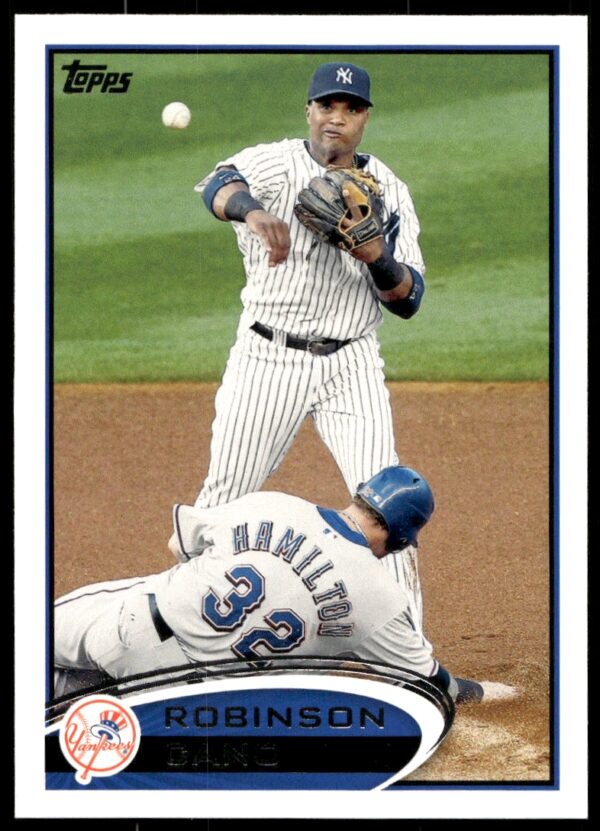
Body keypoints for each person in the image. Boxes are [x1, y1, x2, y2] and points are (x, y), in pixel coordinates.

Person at [192, 61, 429, 637]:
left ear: (365, 118)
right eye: (327, 106)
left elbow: (407, 298)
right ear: (309, 110)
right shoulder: (276, 162)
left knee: (388, 506)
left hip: (352, 362)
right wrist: (254, 211)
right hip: (268, 358)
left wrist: (378, 257)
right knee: (224, 501)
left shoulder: (390, 189)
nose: (336, 119)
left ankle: (410, 658)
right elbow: (220, 184)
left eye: (350, 109)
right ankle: (183, 634)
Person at [54, 466, 484, 703]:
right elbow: (430, 684)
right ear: (403, 541)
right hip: (180, 696)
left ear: (360, 495)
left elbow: (179, 544)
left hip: (128, 625)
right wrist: (477, 691)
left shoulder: (274, 503)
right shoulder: (381, 603)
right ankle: (81, 696)